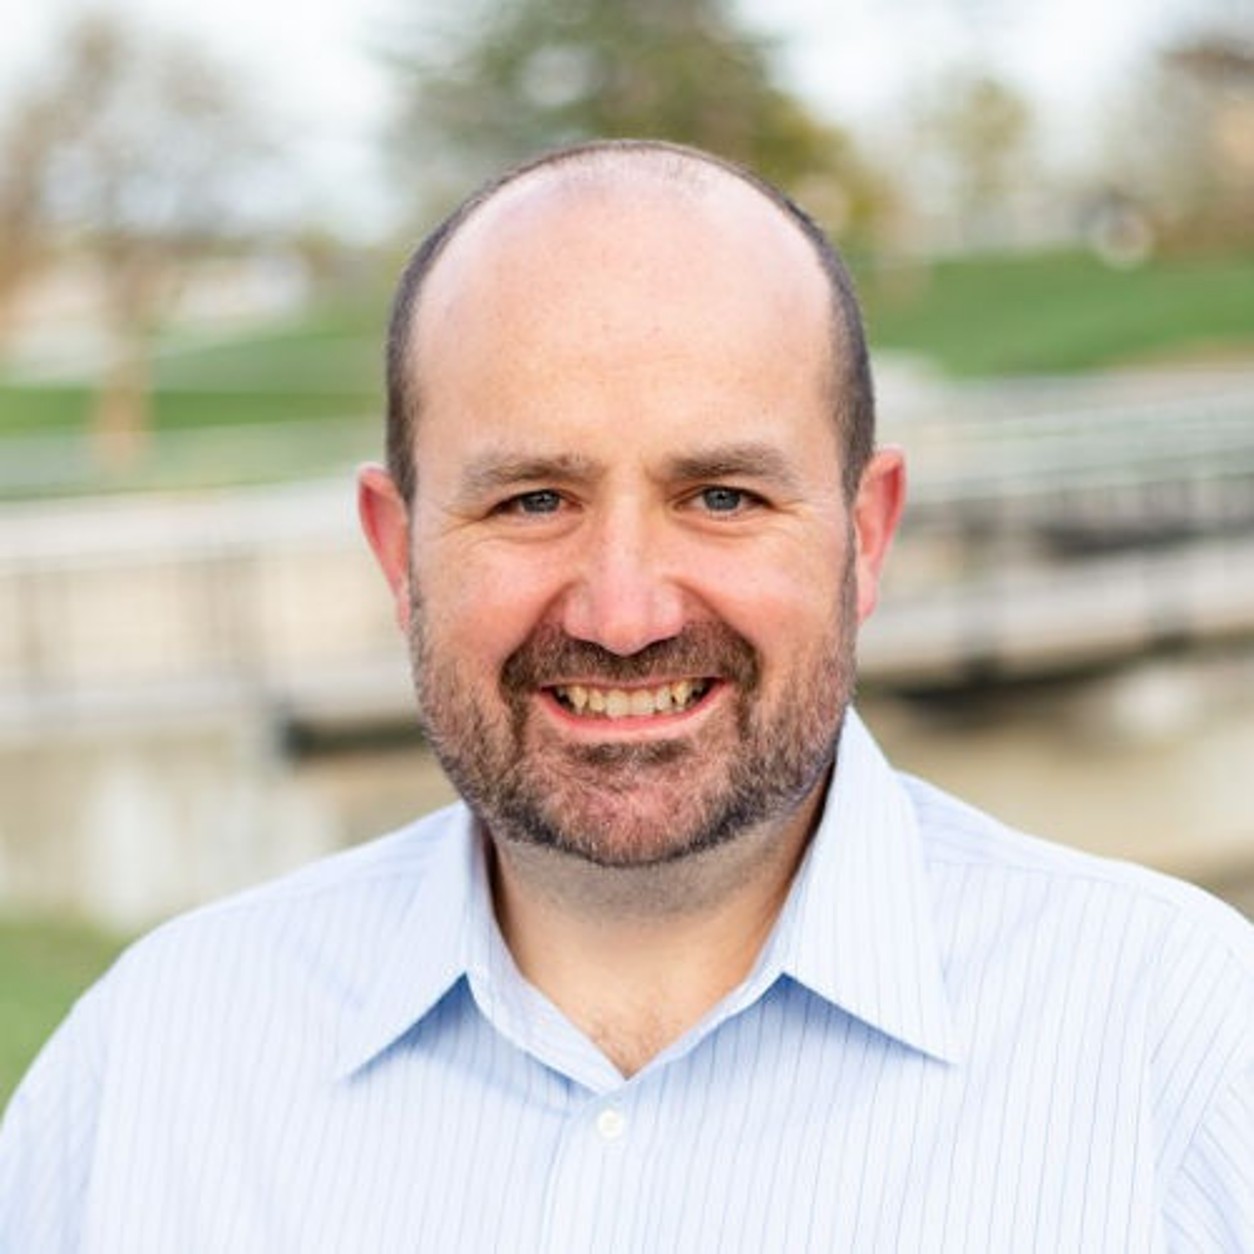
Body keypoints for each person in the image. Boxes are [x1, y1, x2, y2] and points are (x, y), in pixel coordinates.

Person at [1, 138, 1251, 1252]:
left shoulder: (1186, 1052)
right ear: (398, 553)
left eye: (723, 497)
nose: (624, 612)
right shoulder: (149, 1071)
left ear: (867, 535)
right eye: (533, 500)